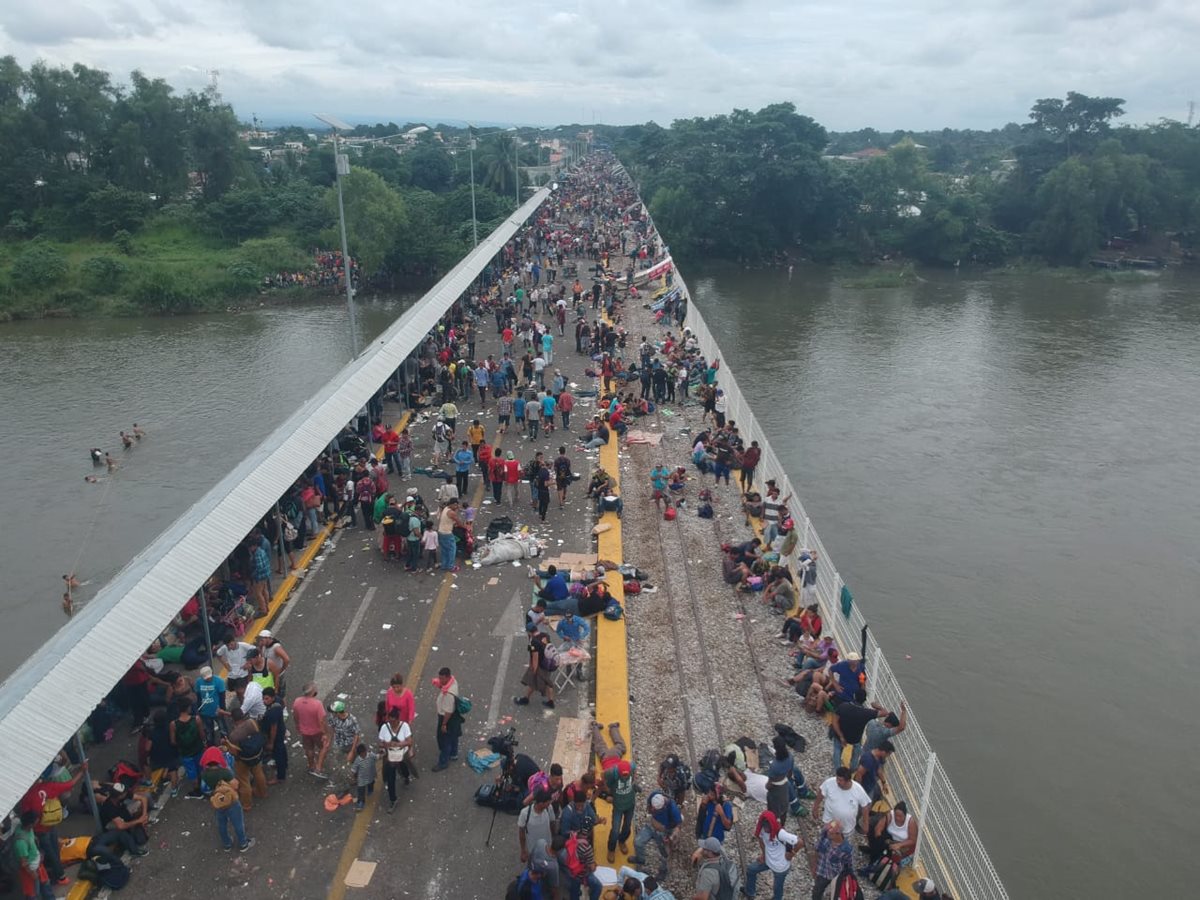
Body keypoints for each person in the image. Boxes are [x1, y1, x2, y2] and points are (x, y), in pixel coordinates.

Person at [199, 746, 255, 853]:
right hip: (231, 801)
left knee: (222, 824)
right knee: (238, 822)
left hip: (218, 801)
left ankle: (227, 844)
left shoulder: (205, 774)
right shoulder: (224, 772)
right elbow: (235, 785)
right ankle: (243, 843)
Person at [743, 810, 801, 900]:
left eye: (767, 827)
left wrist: (791, 854)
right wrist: (764, 855)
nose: (766, 829)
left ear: (772, 824)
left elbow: (800, 842)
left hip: (780, 867)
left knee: (777, 890)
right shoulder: (761, 828)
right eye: (764, 826)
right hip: (768, 860)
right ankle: (750, 892)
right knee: (751, 869)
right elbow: (761, 840)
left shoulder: (780, 833)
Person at [832, 689, 890, 772]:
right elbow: (885, 713)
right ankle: (852, 768)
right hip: (855, 738)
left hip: (840, 735)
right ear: (864, 700)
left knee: (837, 750)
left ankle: (837, 770)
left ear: (854, 696)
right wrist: (877, 706)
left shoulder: (843, 706)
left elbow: (834, 722)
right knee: (856, 751)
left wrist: (841, 736)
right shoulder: (867, 713)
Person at [629, 790, 681, 882]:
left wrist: (671, 837)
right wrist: (650, 810)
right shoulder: (654, 795)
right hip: (651, 825)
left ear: (664, 805)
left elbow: (678, 826)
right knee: (638, 842)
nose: (654, 811)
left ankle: (663, 870)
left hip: (664, 831)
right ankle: (640, 859)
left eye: (657, 810)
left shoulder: (673, 809)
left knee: (664, 853)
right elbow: (649, 806)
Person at [224, 707, 269, 809]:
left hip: (243, 760)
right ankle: (262, 792)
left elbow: (234, 751)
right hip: (256, 754)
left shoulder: (234, 735)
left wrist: (226, 744)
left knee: (244, 781)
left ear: (233, 719)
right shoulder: (252, 723)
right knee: (259, 773)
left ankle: (247, 804)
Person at [813, 766, 872, 839]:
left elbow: (865, 807)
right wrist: (815, 808)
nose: (837, 781)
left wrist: (866, 824)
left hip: (847, 827)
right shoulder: (829, 782)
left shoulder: (858, 789)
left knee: (842, 842)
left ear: (848, 780)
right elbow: (821, 793)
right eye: (837, 778)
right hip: (829, 821)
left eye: (840, 780)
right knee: (826, 838)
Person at [13, 810, 56, 899]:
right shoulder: (21, 842)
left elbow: (33, 839)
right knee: (34, 893)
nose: (37, 824)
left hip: (37, 864)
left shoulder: (28, 829)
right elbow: (24, 862)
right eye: (35, 822)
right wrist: (32, 873)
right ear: (30, 824)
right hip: (31, 871)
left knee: (46, 885)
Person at [292, 682, 331, 779]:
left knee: (309, 748)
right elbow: (321, 721)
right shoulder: (317, 704)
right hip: (316, 731)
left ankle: (311, 765)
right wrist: (325, 733)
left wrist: (298, 726)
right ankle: (318, 767)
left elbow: (295, 716)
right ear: (313, 692)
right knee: (324, 747)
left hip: (304, 731)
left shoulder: (297, 701)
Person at [377, 708, 413, 812]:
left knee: (404, 768)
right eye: (390, 721)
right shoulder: (384, 727)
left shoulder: (404, 726)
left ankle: (406, 776)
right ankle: (393, 799)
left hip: (401, 755)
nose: (391, 723)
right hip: (390, 757)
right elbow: (380, 742)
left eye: (393, 721)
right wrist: (386, 745)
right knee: (390, 778)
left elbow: (409, 741)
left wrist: (398, 744)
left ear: (398, 720)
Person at [514, 626, 557, 709]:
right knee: (537, 682)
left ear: (530, 632)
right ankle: (528, 698)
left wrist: (534, 669)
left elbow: (535, 656)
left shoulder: (533, 642)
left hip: (541, 665)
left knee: (543, 682)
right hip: (549, 662)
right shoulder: (545, 635)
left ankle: (527, 699)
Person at [810, 821, 854, 900]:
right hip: (822, 872)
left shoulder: (846, 849)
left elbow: (848, 864)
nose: (827, 834)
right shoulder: (825, 837)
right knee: (817, 891)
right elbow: (817, 849)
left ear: (838, 833)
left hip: (836, 875)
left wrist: (849, 877)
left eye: (830, 833)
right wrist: (814, 866)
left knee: (837, 894)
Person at [867, 800, 918, 867]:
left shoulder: (911, 822)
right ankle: (873, 858)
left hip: (902, 844)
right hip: (889, 839)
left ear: (905, 815)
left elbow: (913, 840)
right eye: (896, 815)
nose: (897, 818)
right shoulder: (889, 815)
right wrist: (880, 841)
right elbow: (878, 829)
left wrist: (899, 845)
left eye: (900, 816)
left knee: (893, 861)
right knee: (875, 838)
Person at [432, 666, 462, 771]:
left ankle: (443, 762)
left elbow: (448, 712)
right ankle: (454, 753)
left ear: (447, 677)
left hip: (447, 718)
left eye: (442, 679)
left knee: (444, 740)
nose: (440, 680)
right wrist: (440, 685)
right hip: (454, 718)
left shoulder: (449, 695)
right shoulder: (453, 681)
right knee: (453, 736)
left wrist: (444, 724)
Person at [518, 790, 558, 864]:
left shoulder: (549, 808)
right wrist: (523, 850)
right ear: (540, 803)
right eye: (548, 803)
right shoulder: (525, 813)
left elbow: (552, 822)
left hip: (548, 845)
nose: (549, 804)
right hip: (533, 848)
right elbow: (521, 833)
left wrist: (554, 836)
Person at [322, 700, 362, 775]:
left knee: (354, 761)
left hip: (350, 744)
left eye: (333, 712)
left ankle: (355, 775)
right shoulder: (332, 718)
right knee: (341, 760)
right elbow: (332, 730)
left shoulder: (352, 719)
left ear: (337, 713)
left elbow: (356, 734)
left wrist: (352, 751)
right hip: (338, 743)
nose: (331, 713)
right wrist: (329, 741)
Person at [260, 687, 288, 783]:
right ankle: (285, 765)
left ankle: (280, 776)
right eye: (263, 698)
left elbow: (273, 728)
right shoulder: (278, 701)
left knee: (278, 754)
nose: (264, 701)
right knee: (282, 750)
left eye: (267, 699)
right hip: (281, 730)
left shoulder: (272, 712)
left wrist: (271, 742)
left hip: (276, 735)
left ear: (272, 698)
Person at [437, 498, 465, 572]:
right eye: (456, 505)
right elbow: (459, 522)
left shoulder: (446, 508)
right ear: (453, 504)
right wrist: (466, 527)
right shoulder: (451, 513)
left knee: (444, 550)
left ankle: (444, 565)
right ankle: (450, 566)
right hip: (447, 533)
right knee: (452, 549)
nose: (457, 507)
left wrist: (456, 508)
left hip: (440, 532)